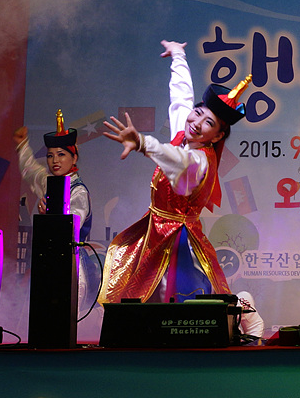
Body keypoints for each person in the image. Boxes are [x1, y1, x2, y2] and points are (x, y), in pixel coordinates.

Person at [98, 39, 251, 307]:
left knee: (176, 296)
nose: (196, 123)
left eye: (208, 123)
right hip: (156, 229)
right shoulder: (185, 134)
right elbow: (181, 98)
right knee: (142, 292)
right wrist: (178, 56)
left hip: (178, 237)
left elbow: (176, 159)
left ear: (217, 136)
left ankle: (244, 311)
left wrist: (143, 143)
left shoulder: (199, 160)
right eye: (198, 113)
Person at [14, 111, 96, 307]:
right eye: (50, 156)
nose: (55, 161)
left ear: (74, 158)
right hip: (49, 259)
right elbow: (31, 170)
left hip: (73, 264)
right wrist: (22, 145)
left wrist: (50, 216)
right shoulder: (49, 182)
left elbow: (71, 226)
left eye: (61, 154)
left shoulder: (78, 192)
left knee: (69, 313)